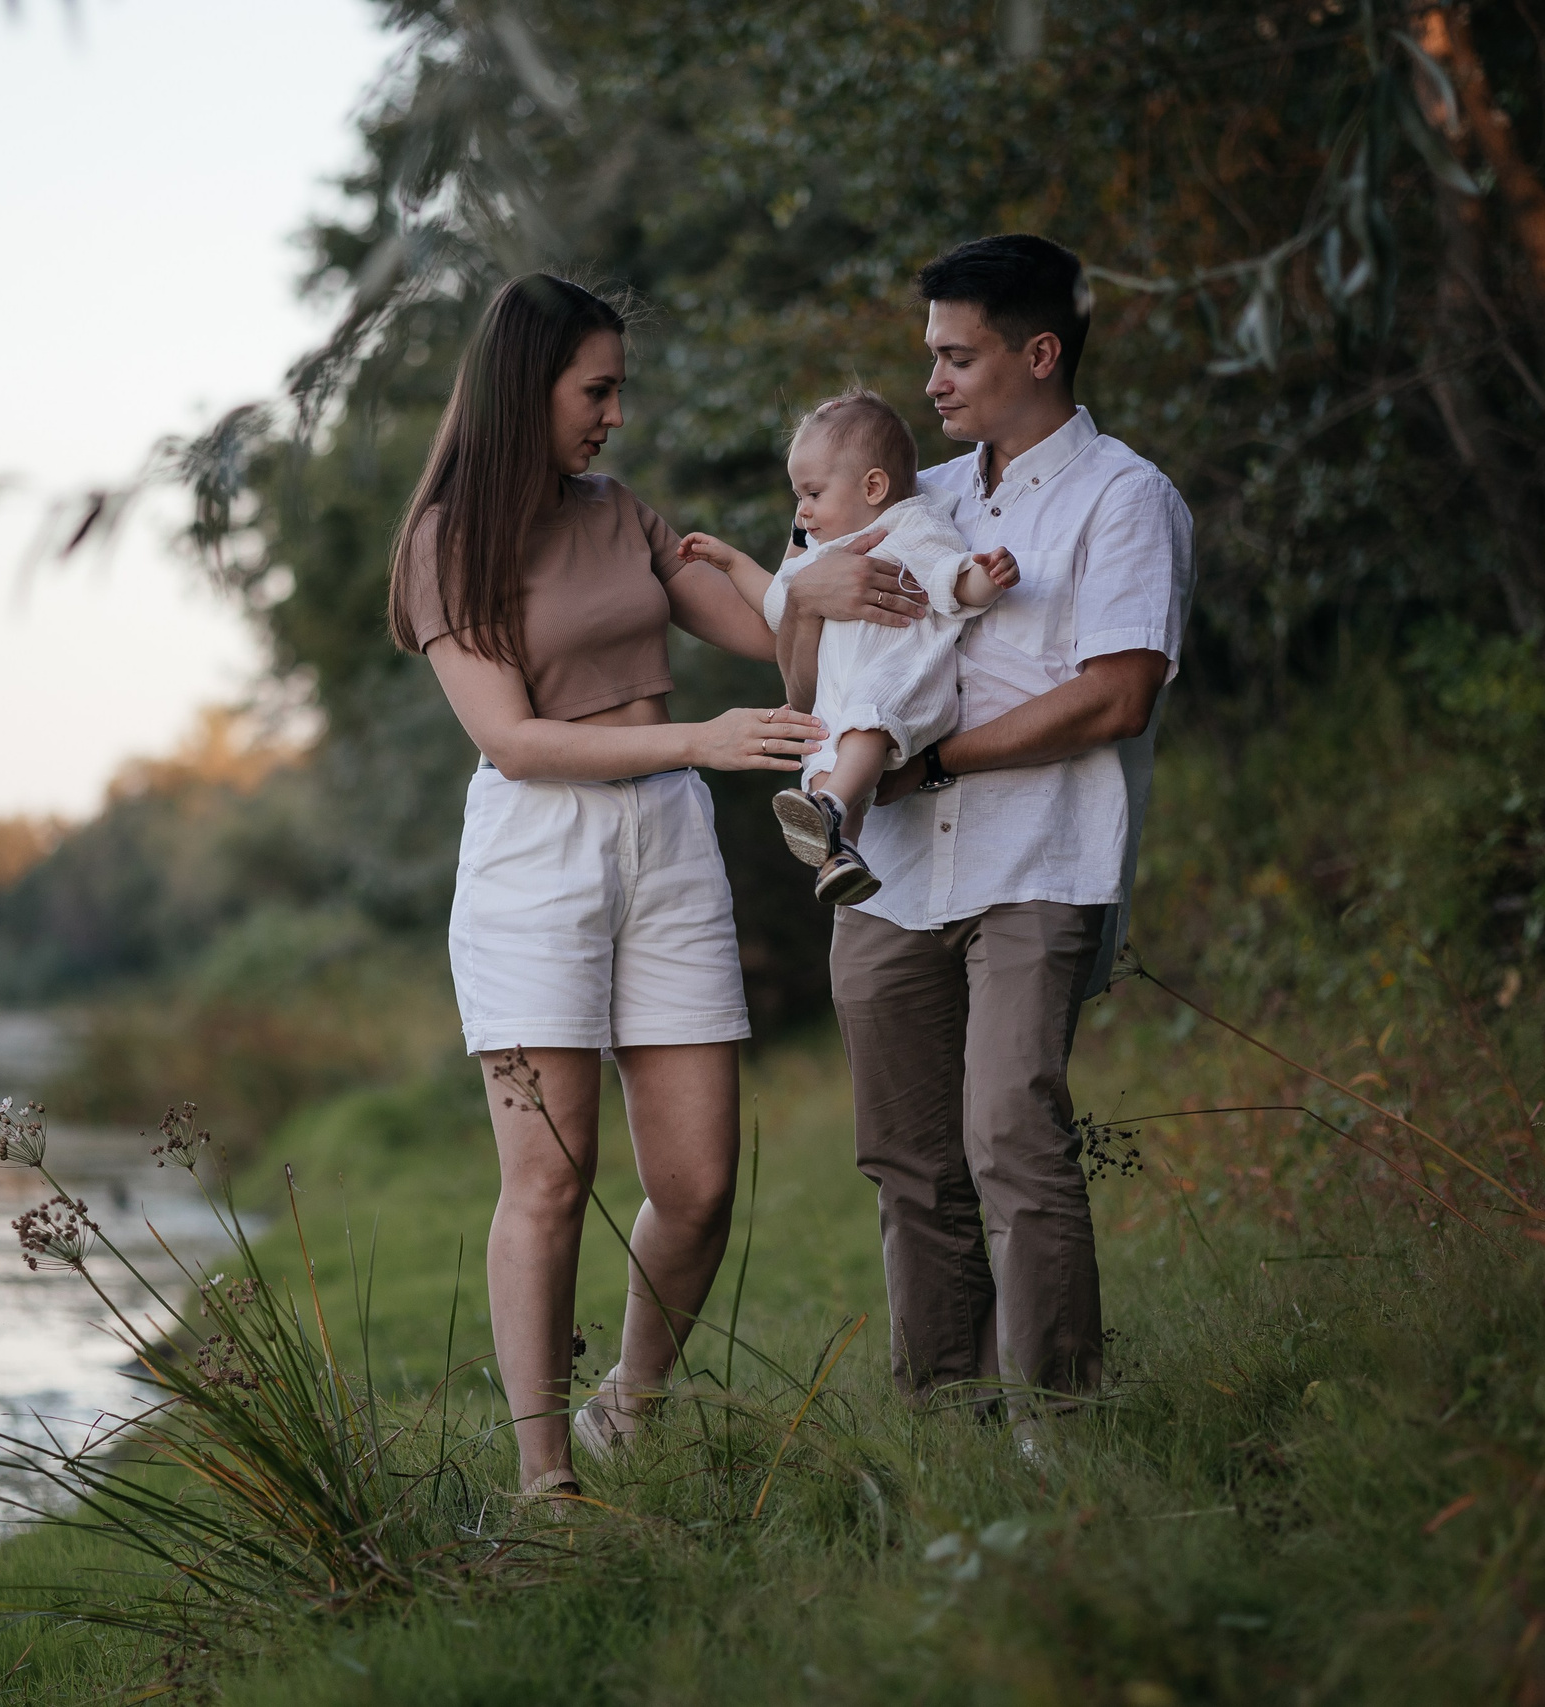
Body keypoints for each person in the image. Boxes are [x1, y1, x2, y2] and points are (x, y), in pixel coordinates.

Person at [388, 273, 826, 1498]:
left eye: (616, 388)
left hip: (667, 843)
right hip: (538, 853)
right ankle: (545, 1482)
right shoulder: (446, 542)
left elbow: (768, 646)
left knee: (697, 1186)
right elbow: (514, 738)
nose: (614, 414)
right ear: (527, 388)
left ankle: (624, 1410)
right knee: (549, 1176)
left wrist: (809, 575)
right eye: (596, 389)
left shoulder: (621, 511)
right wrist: (699, 740)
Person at [775, 235, 1196, 1441]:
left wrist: (936, 761)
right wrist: (802, 595)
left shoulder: (1124, 498)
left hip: (1035, 859)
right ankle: (943, 1432)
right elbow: (812, 674)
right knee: (907, 1163)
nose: (934, 383)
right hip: (890, 873)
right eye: (930, 357)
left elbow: (1119, 695)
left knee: (1011, 1133)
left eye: (956, 357)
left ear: (1040, 352)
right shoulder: (907, 498)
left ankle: (1057, 1434)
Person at [678, 389, 1017, 906]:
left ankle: (834, 807)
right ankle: (841, 856)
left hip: (899, 680)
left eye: (812, 494)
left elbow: (952, 579)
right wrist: (733, 563)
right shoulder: (821, 553)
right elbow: (778, 603)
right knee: (821, 756)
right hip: (844, 692)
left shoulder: (911, 526)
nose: (803, 511)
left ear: (874, 485)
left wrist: (986, 577)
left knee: (861, 729)